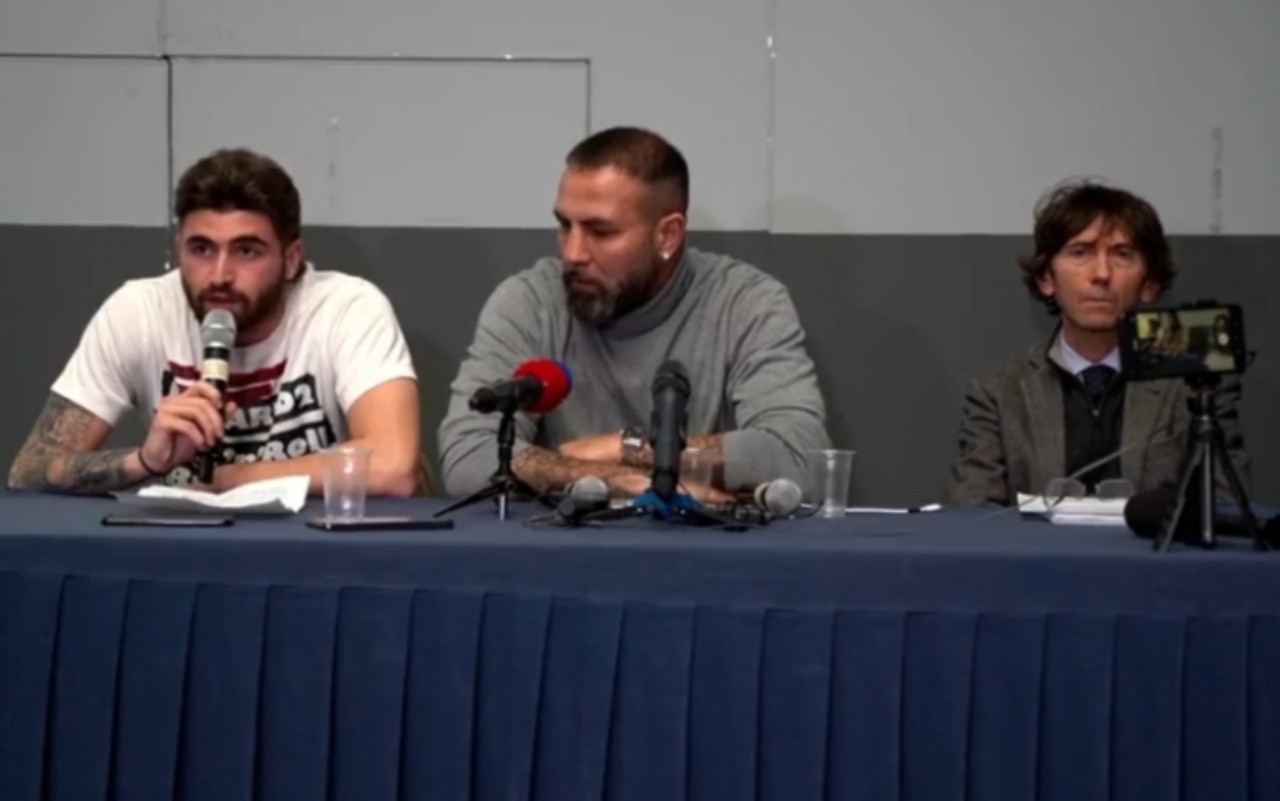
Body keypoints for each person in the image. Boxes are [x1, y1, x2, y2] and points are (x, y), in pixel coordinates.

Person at [438, 126, 830, 499]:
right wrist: (620, 481)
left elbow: (799, 456)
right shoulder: (529, 302)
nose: (573, 253)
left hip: (703, 542)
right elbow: (468, 454)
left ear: (667, 235)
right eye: (565, 225)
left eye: (601, 232)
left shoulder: (745, 304)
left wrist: (625, 447)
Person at [7, 148, 421, 497]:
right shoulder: (138, 311)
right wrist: (145, 461)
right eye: (201, 249)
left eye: (247, 251)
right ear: (178, 249)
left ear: (291, 259)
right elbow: (27, 472)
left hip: (317, 547)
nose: (220, 275)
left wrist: (225, 481)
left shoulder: (345, 308)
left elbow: (393, 468)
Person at [945, 179, 1249, 506]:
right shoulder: (998, 390)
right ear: (1046, 278)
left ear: (1149, 283)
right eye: (1081, 252)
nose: (1102, 273)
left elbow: (1225, 507)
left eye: (1122, 254)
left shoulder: (1194, 386)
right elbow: (971, 513)